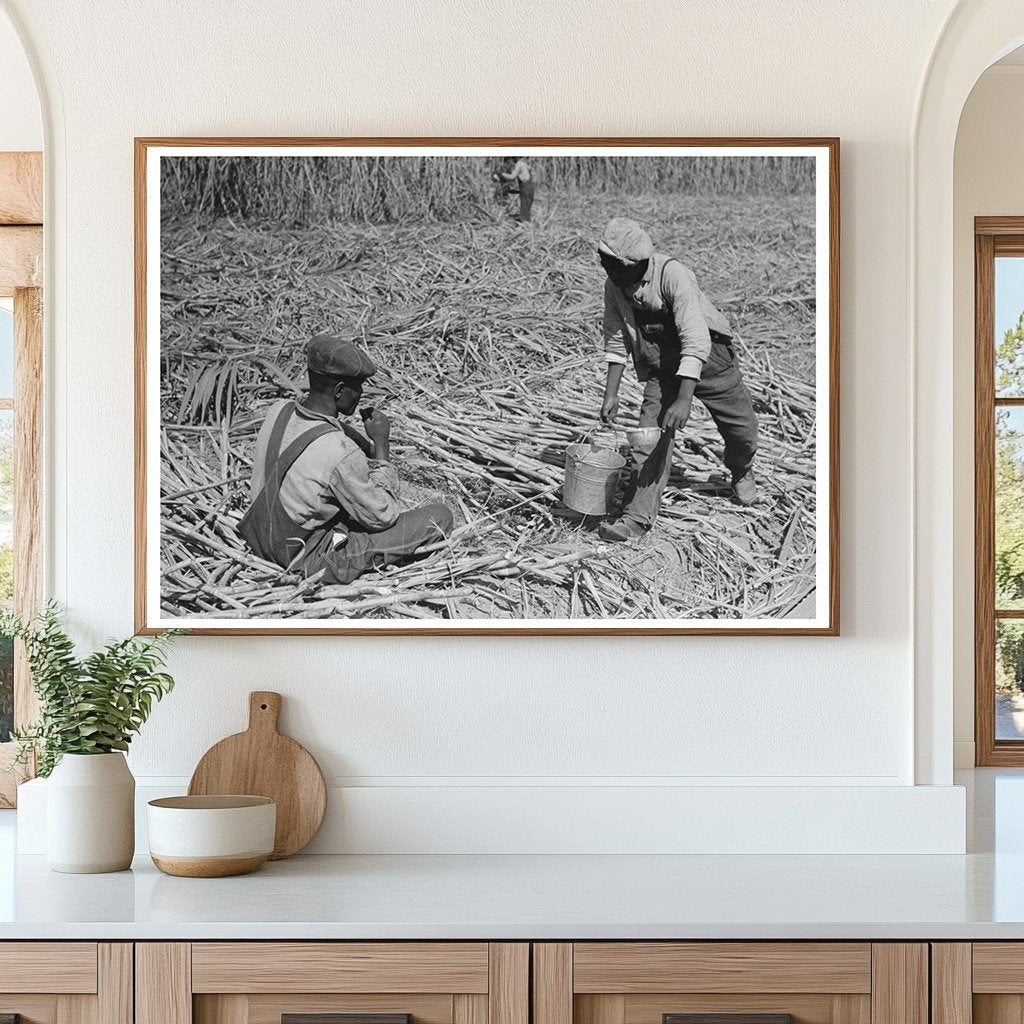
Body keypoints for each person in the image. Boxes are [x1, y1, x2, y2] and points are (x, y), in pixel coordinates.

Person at [238, 334, 453, 584]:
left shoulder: (279, 410)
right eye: (358, 386)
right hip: (306, 559)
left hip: (261, 538)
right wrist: (382, 444)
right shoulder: (339, 450)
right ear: (339, 391)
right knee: (439, 517)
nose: (361, 393)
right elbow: (382, 517)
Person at [596, 217, 759, 542]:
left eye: (609, 261)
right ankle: (635, 519)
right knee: (649, 437)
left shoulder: (672, 274)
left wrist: (684, 399)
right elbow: (616, 338)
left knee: (743, 430)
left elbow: (696, 338)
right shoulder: (615, 286)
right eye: (602, 259)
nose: (603, 266)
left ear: (634, 264)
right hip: (664, 366)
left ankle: (740, 468)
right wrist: (610, 393)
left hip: (710, 359)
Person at [496, 155, 535, 222]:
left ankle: (524, 224)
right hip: (530, 186)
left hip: (525, 186)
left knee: (525, 206)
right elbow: (531, 171)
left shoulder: (519, 164)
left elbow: (512, 177)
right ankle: (526, 223)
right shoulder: (524, 164)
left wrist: (501, 174)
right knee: (527, 206)